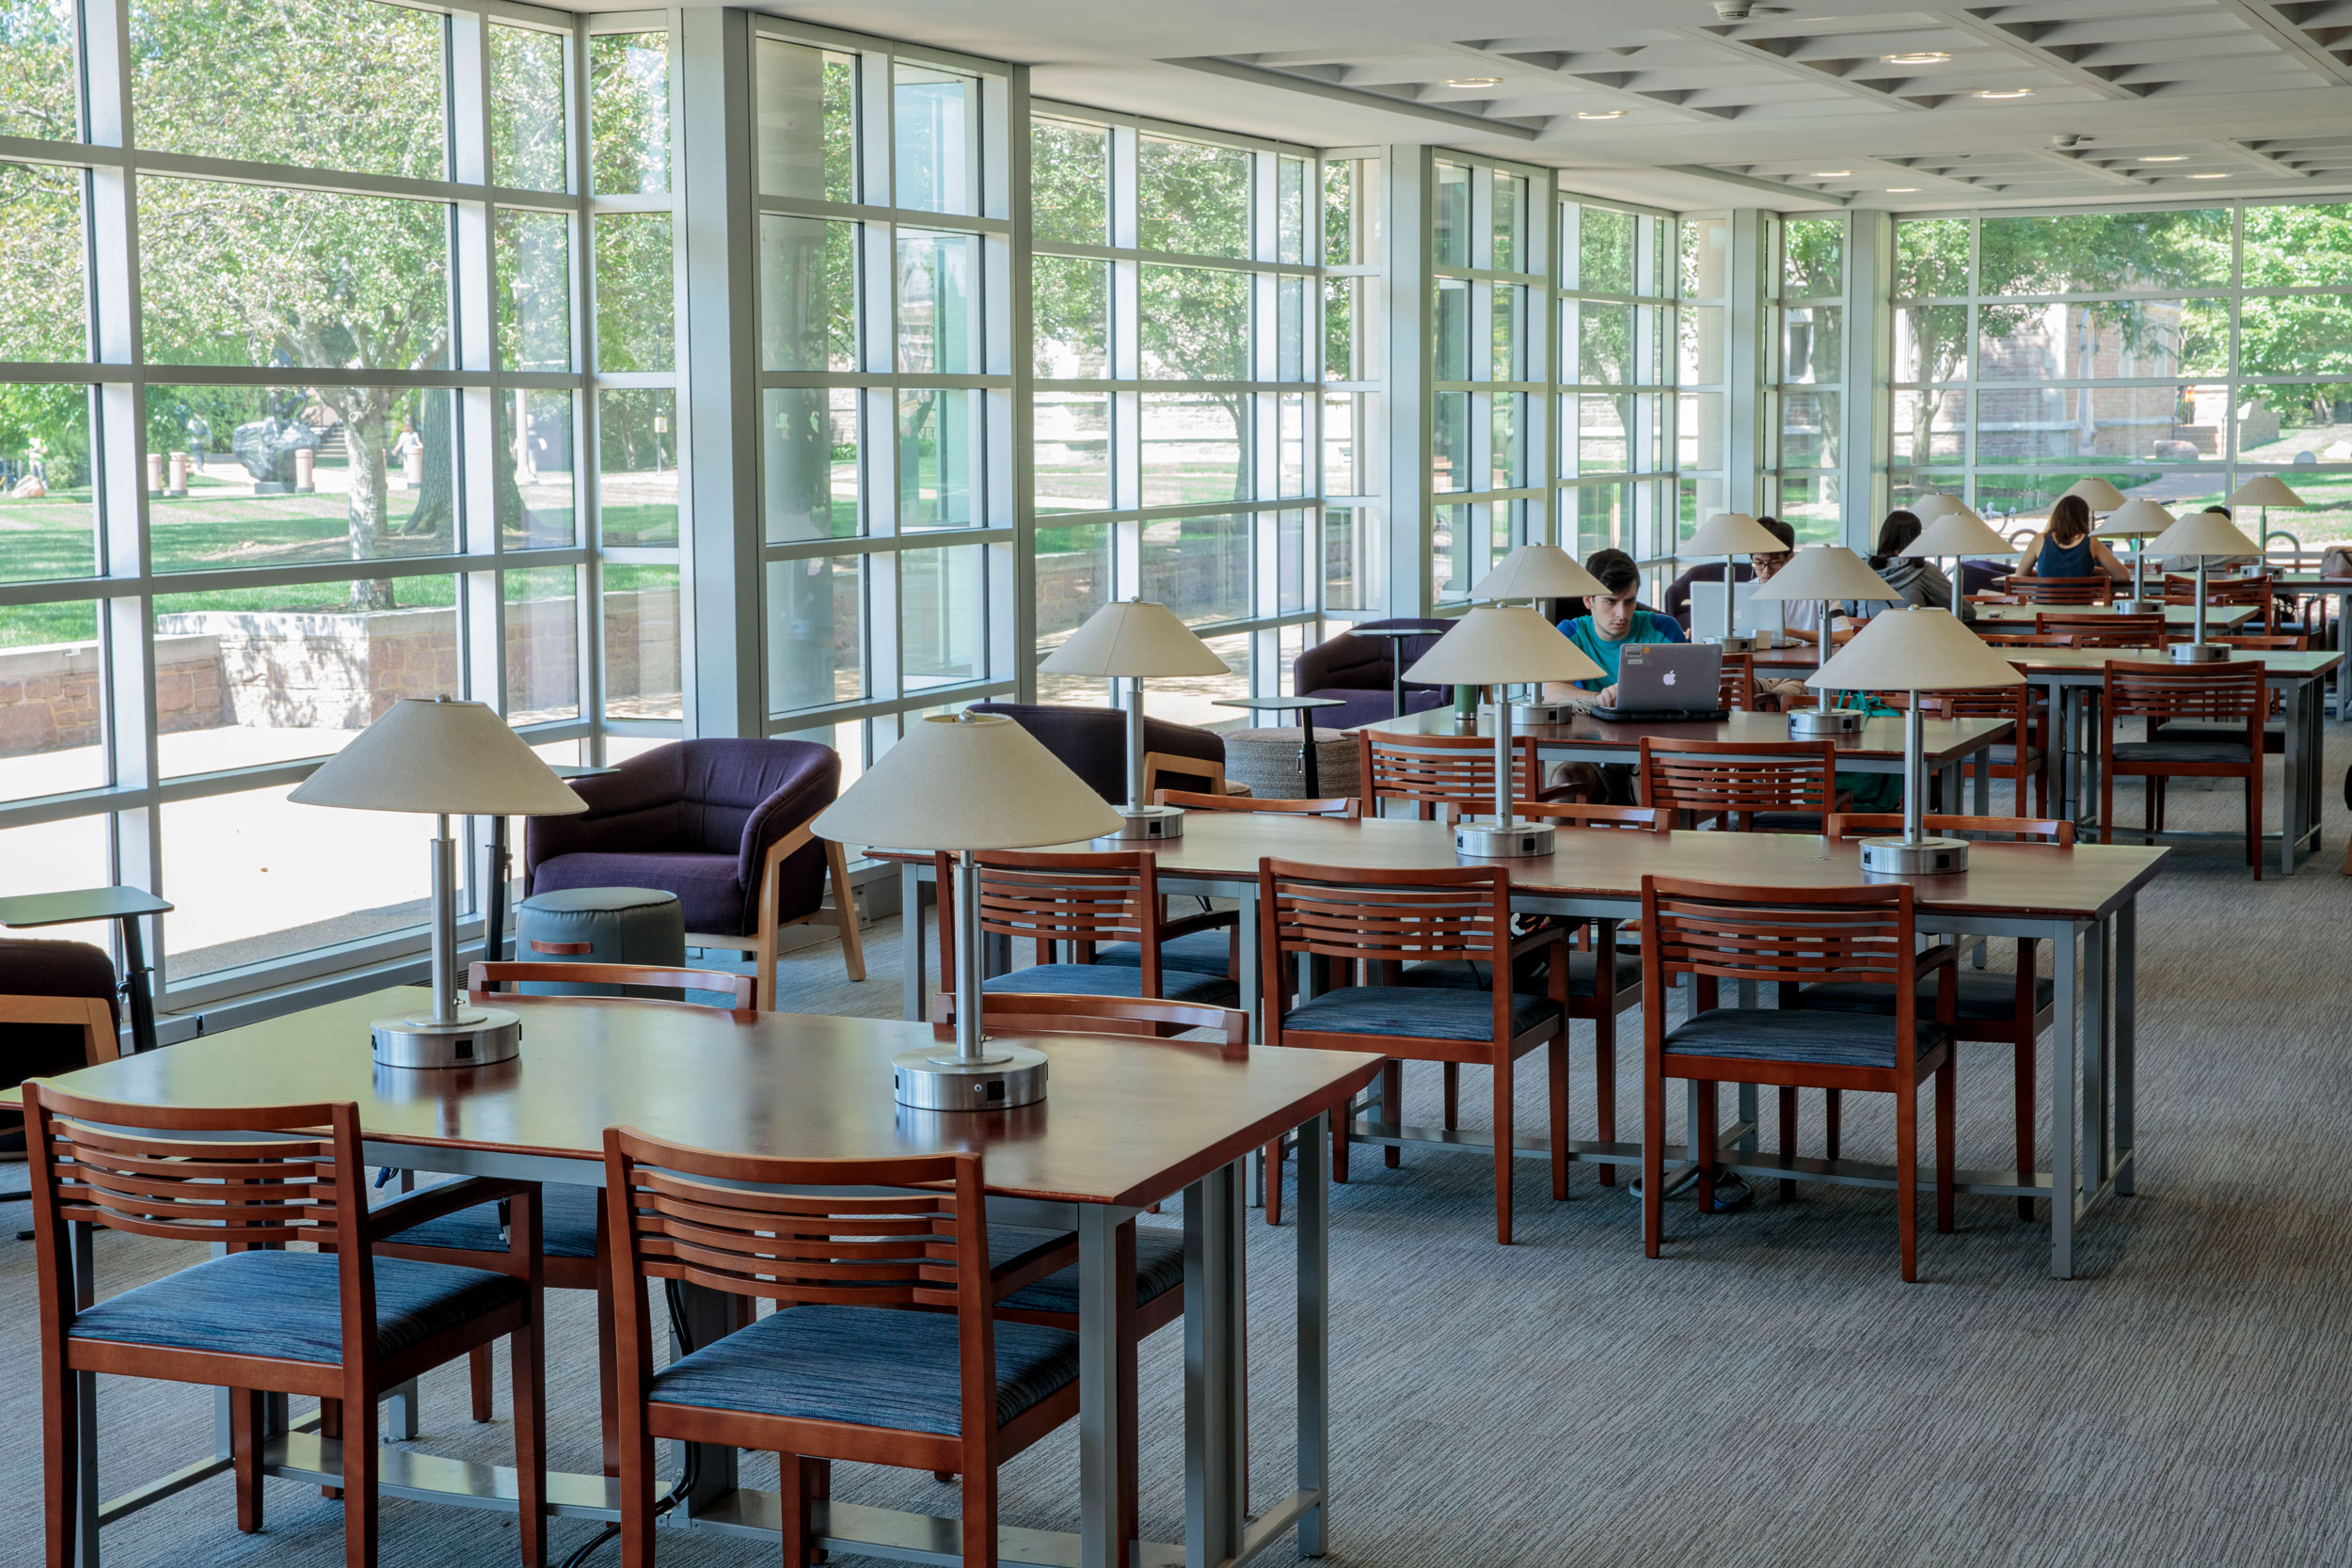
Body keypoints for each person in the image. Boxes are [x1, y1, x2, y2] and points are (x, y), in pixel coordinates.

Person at [1550, 547, 1685, 707]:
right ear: (1588, 600)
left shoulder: (1665, 629)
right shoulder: (1570, 633)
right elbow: (1552, 692)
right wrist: (1599, 699)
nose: (1622, 614)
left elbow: (1689, 686)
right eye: (1611, 601)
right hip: (1590, 728)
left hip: (1657, 728)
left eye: (1629, 601)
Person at [1867, 509, 1967, 619]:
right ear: (1916, 539)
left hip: (1865, 635)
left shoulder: (1861, 570)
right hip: (1913, 635)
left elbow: (1849, 610)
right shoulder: (1924, 570)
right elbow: (1966, 611)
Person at [2015, 494, 2130, 582]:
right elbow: (2123, 576)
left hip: (2044, 609)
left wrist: (2048, 573)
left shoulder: (2039, 540)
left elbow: (2020, 574)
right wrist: (2090, 571)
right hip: (2081, 609)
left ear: (2056, 516)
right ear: (2084, 518)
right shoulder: (2091, 543)